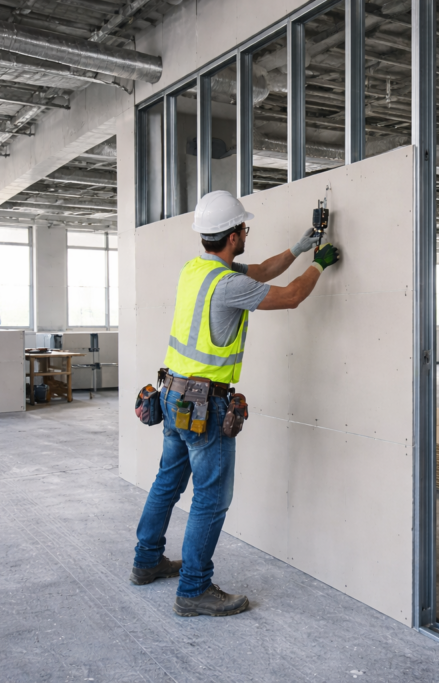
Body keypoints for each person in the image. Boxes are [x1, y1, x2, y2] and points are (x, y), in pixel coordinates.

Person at [129, 190, 341, 617]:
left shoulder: (198, 270)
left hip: (171, 395)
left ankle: (146, 561)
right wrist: (320, 263)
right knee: (211, 498)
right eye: (243, 228)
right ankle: (193, 590)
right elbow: (291, 296)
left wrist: (300, 247)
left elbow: (262, 270)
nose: (247, 232)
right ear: (231, 236)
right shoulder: (229, 285)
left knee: (167, 483)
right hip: (204, 407)